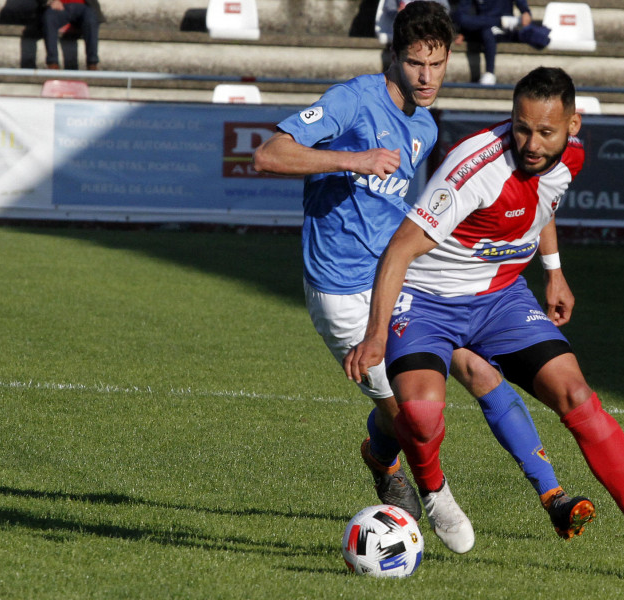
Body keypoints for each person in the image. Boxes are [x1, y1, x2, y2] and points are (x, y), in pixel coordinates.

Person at [253, 3, 591, 548]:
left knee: (481, 373)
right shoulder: (353, 100)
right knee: (412, 416)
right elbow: (269, 155)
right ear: (395, 56)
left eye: (437, 64)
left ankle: (552, 494)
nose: (427, 77)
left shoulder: (425, 123)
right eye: (415, 64)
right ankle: (418, 486)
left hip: (402, 279)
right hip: (341, 288)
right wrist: (354, 159)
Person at [344, 66, 624, 578]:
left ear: (572, 126)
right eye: (521, 128)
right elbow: (399, 251)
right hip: (427, 301)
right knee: (421, 417)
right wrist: (376, 335)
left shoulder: (570, 156)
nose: (531, 143)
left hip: (501, 298)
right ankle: (435, 489)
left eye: (545, 132)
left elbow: (542, 201)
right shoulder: (472, 168)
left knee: (578, 396)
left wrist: (554, 272)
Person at [452, 0, 532, 85]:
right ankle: (503, 21)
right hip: (482, 26)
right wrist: (464, 31)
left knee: (487, 31)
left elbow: (525, 11)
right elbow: (461, 15)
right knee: (466, 20)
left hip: (501, 30)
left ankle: (489, 72)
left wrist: (525, 11)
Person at [40, 0, 104, 70]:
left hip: (84, 6)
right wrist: (50, 1)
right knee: (49, 17)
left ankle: (92, 63)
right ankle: (52, 63)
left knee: (91, 19)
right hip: (59, 5)